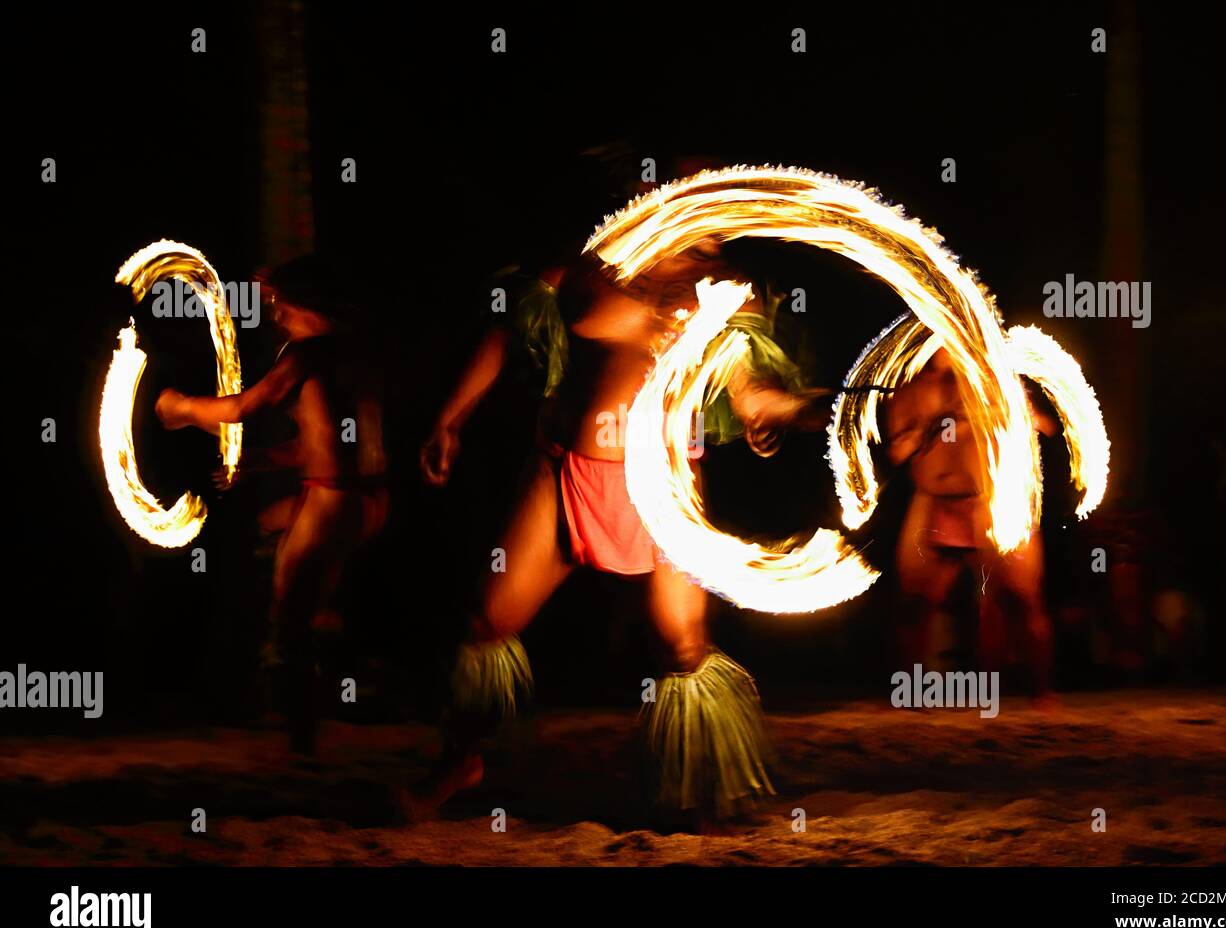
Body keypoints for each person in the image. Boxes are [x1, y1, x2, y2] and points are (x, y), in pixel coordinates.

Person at [416, 239, 826, 821]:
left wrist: (793, 410)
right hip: (564, 475)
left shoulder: (726, 289)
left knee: (682, 647)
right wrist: (449, 418)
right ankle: (460, 761)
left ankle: (700, 789)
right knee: (489, 617)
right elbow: (506, 331)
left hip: (663, 488)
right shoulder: (585, 265)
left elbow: (750, 389)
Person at [155, 255, 388, 753]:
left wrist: (181, 408)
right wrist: (260, 460)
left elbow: (241, 409)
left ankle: (302, 731)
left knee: (291, 616)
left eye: (275, 301)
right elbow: (328, 442)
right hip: (369, 497)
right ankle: (329, 646)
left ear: (299, 301)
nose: (273, 312)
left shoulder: (308, 355)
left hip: (333, 501)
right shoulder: (357, 351)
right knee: (268, 528)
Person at [882, 347, 1055, 701]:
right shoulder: (910, 390)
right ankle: (908, 695)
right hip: (933, 501)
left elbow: (1042, 425)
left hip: (990, 501)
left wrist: (998, 414)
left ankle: (1040, 692)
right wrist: (929, 428)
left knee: (1019, 600)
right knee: (913, 604)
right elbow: (896, 451)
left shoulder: (992, 383)